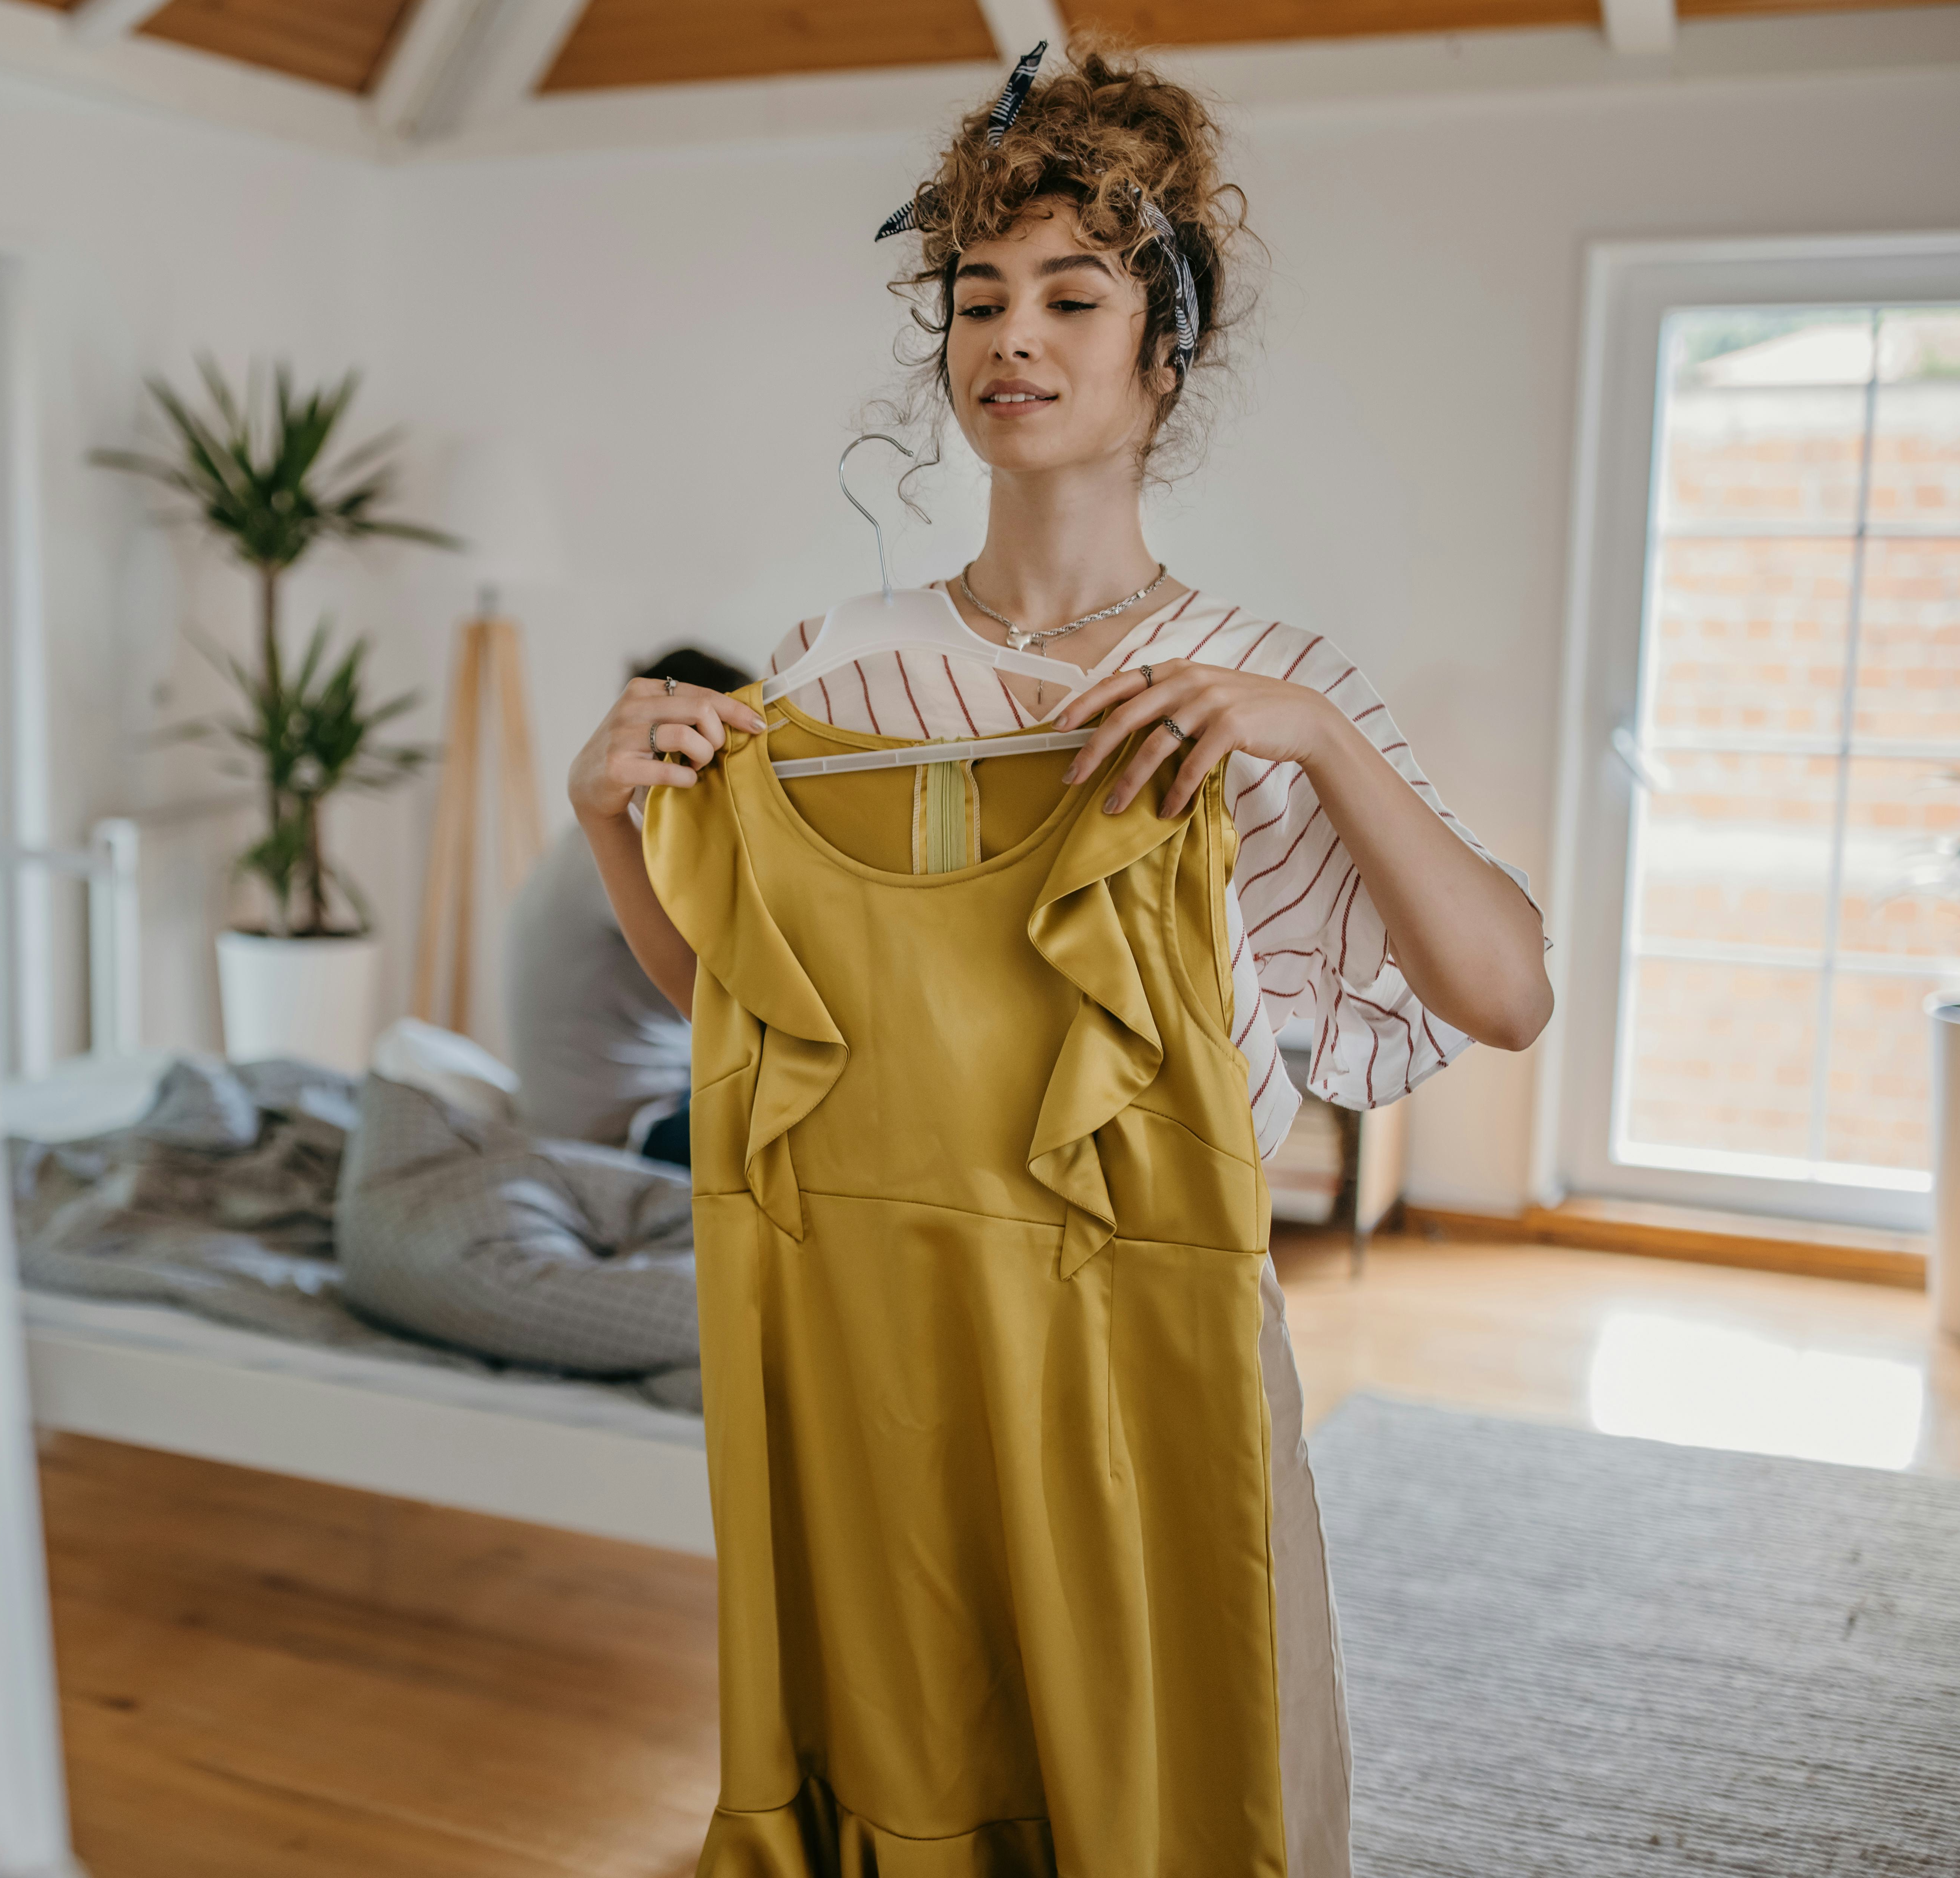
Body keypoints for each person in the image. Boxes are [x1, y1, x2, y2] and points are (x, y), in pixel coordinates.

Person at [562, 36, 1551, 1877]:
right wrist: (613, 816)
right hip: (887, 1337)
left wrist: (1313, 741)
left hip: (1152, 1331)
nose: (1009, 337)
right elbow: (747, 1016)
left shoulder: (1264, 675)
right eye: (975, 296)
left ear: (1161, 351)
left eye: (1068, 296)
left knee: (1197, 1791)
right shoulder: (836, 667)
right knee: (919, 1782)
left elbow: (1504, 990)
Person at [506, 645, 752, 1165]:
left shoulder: (585, 844)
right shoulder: (626, 853)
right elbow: (735, 1005)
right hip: (624, 1127)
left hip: (593, 1107)